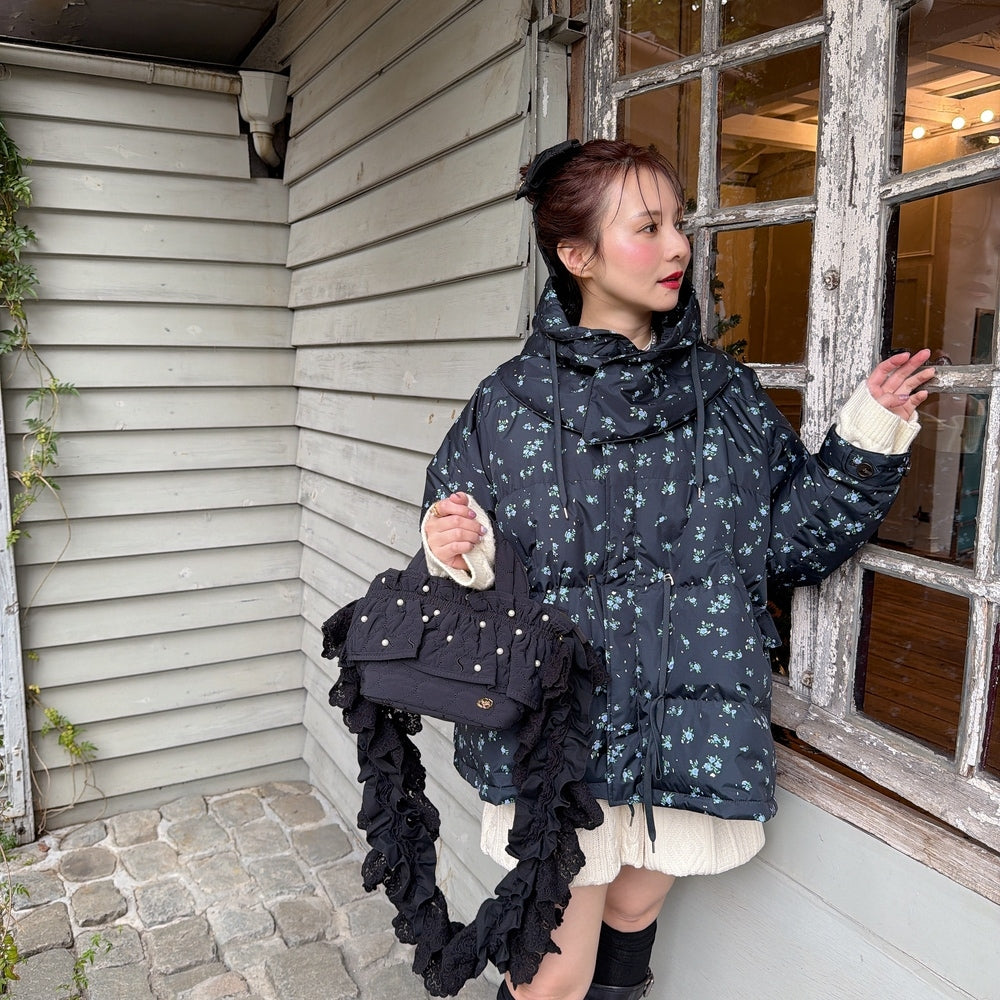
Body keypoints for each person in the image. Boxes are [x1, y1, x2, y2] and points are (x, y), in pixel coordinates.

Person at [420, 139, 934, 1000]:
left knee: (634, 910)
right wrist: (454, 547)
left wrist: (868, 432)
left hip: (686, 722)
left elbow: (790, 542)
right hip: (560, 730)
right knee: (550, 976)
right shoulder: (507, 406)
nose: (678, 247)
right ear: (577, 255)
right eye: (648, 227)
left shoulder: (723, 396)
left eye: (678, 224)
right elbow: (462, 552)